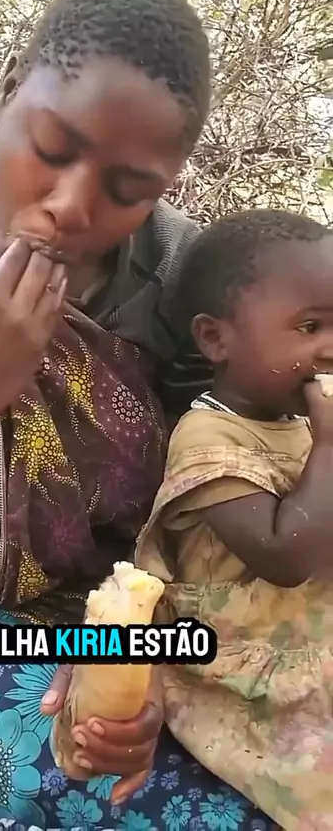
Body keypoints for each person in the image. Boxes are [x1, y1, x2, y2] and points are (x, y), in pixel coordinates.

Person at [0, 0, 277, 827]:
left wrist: (136, 654)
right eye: (51, 148)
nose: (72, 206)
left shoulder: (187, 277)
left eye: (128, 188)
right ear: (10, 92)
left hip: (172, 609)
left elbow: (214, 502)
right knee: (62, 764)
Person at [136, 209, 333, 831]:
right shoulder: (208, 437)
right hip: (251, 672)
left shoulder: (303, 424)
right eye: (309, 327)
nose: (330, 348)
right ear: (215, 339)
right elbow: (285, 554)